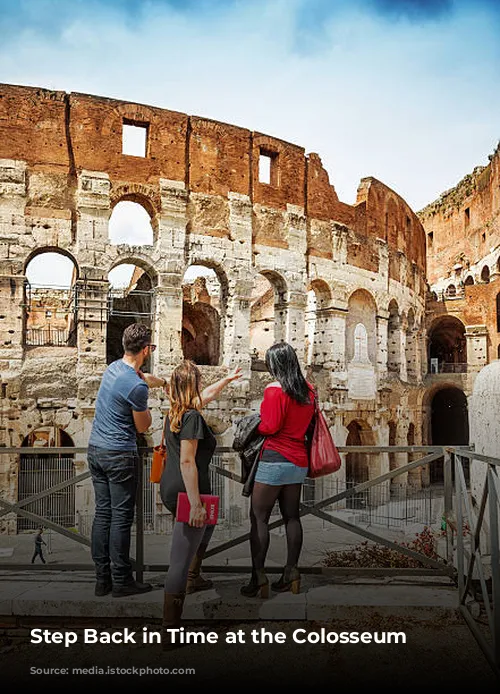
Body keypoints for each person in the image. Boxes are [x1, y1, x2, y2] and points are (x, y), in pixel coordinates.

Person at [159, 359, 242, 649]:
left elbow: (206, 397)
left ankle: (193, 577)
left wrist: (228, 380)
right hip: (185, 489)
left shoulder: (177, 411)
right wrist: (195, 503)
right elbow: (186, 460)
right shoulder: (193, 418)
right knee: (179, 558)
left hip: (172, 486)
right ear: (192, 385)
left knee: (207, 526)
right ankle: (170, 630)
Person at [88, 323, 167, 598]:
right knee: (121, 517)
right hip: (120, 454)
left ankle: (102, 580)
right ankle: (122, 581)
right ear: (146, 349)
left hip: (95, 450)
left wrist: (157, 382)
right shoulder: (135, 387)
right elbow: (143, 426)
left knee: (103, 514)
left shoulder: (113, 369)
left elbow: (137, 379)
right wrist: (150, 407)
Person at [240, 342, 315, 598]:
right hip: (298, 460)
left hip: (274, 459)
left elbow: (270, 427)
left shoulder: (275, 390)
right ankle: (291, 572)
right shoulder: (309, 391)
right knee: (292, 517)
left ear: (276, 365)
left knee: (259, 518)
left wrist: (254, 423)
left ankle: (258, 577)